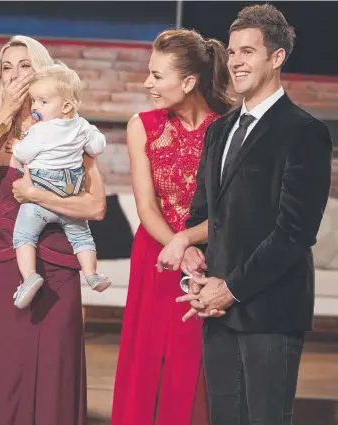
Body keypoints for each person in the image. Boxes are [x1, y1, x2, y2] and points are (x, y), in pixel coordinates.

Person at [173, 5, 333, 425]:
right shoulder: (219, 130)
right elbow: (202, 215)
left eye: (248, 51)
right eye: (231, 52)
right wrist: (194, 265)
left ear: (277, 58)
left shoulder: (305, 132)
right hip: (215, 312)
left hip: (269, 313)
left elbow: (294, 233)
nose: (236, 62)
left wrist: (232, 289)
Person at [0, 35, 106, 425]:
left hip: (58, 264)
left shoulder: (72, 131)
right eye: (7, 67)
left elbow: (96, 206)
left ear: (41, 71)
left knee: (53, 371)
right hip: (2, 264)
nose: (15, 74)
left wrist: (39, 196)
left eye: (25, 65)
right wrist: (5, 112)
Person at [111, 29, 233, 425]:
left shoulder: (227, 129)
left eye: (157, 76)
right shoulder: (141, 125)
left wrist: (193, 242)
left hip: (212, 255)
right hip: (157, 255)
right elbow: (146, 206)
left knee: (193, 362)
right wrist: (179, 248)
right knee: (147, 359)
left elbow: (230, 209)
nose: (148, 83)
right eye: (149, 73)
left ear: (188, 82)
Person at [12, 63, 111, 309]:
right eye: (34, 101)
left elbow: (23, 154)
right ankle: (91, 274)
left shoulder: (40, 130)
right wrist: (92, 135)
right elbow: (97, 147)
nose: (35, 107)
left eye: (43, 102)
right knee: (81, 235)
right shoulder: (83, 126)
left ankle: (29, 277)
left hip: (42, 195)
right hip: (71, 193)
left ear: (66, 106)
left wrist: (21, 140)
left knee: (24, 234)